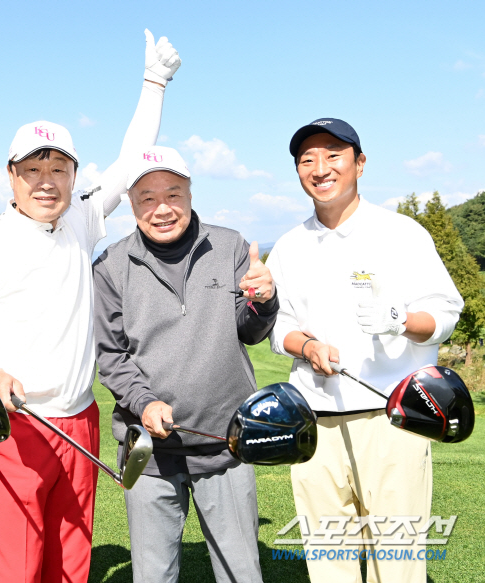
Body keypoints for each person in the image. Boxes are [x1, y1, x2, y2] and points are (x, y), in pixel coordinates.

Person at [0, 30, 181, 583]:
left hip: (81, 422)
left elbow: (129, 163)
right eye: (33, 170)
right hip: (14, 429)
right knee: (14, 569)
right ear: (11, 176)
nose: (46, 182)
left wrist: (154, 83)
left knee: (70, 567)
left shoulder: (82, 220)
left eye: (58, 170)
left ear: (73, 176)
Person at [266, 118, 464, 583]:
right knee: (327, 560)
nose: (320, 168)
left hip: (393, 418)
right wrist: (308, 345)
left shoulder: (402, 232)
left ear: (360, 163)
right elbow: (280, 326)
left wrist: (403, 321)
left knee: (396, 559)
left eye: (334, 154)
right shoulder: (291, 245)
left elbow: (445, 315)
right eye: (307, 159)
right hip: (315, 422)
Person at [93, 145, 277, 583]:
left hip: (226, 443)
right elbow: (112, 355)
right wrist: (144, 402)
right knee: (154, 575)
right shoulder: (110, 265)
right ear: (132, 205)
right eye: (147, 198)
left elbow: (250, 330)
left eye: (173, 194)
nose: (162, 209)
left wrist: (264, 302)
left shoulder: (229, 244)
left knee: (241, 573)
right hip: (148, 451)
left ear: (190, 192)